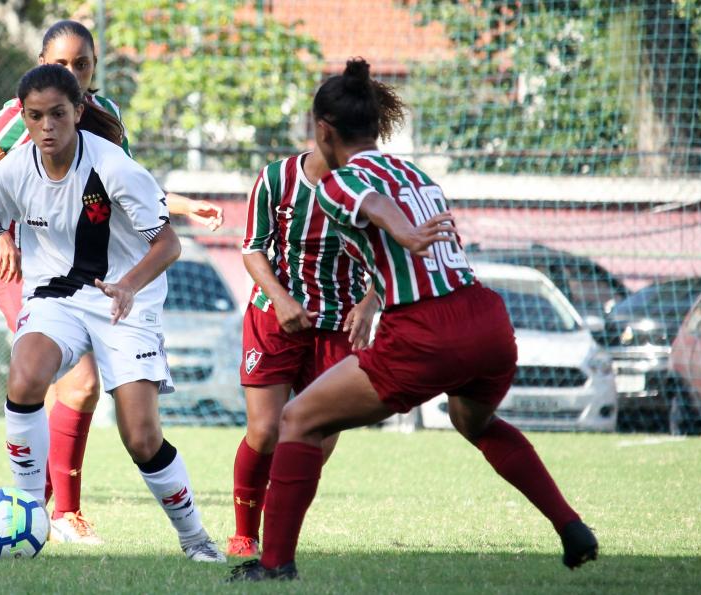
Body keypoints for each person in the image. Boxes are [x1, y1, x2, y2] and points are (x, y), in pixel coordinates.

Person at [228, 58, 598, 581]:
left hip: (427, 332)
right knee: (475, 422)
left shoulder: (336, 182)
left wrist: (400, 231)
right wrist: (398, 242)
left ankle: (274, 565)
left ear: (323, 130)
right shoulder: (414, 172)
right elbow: (388, 209)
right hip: (487, 320)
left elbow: (369, 201)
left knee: (298, 421)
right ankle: (571, 527)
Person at [0, 20, 224, 545]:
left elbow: (151, 217)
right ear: (25, 114)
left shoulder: (108, 146)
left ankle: (195, 540)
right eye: (37, 115)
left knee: (140, 435)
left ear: (80, 106)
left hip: (121, 291)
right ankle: (35, 510)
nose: (47, 123)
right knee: (34, 377)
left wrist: (135, 274)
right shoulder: (15, 141)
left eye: (81, 65)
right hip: (49, 285)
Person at [228, 144, 378, 557]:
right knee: (264, 430)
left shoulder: (372, 184)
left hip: (340, 324)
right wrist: (281, 299)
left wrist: (369, 304)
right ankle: (244, 534)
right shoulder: (277, 178)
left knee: (318, 439)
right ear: (324, 129)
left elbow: (390, 259)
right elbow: (253, 247)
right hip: (274, 317)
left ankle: (279, 520)